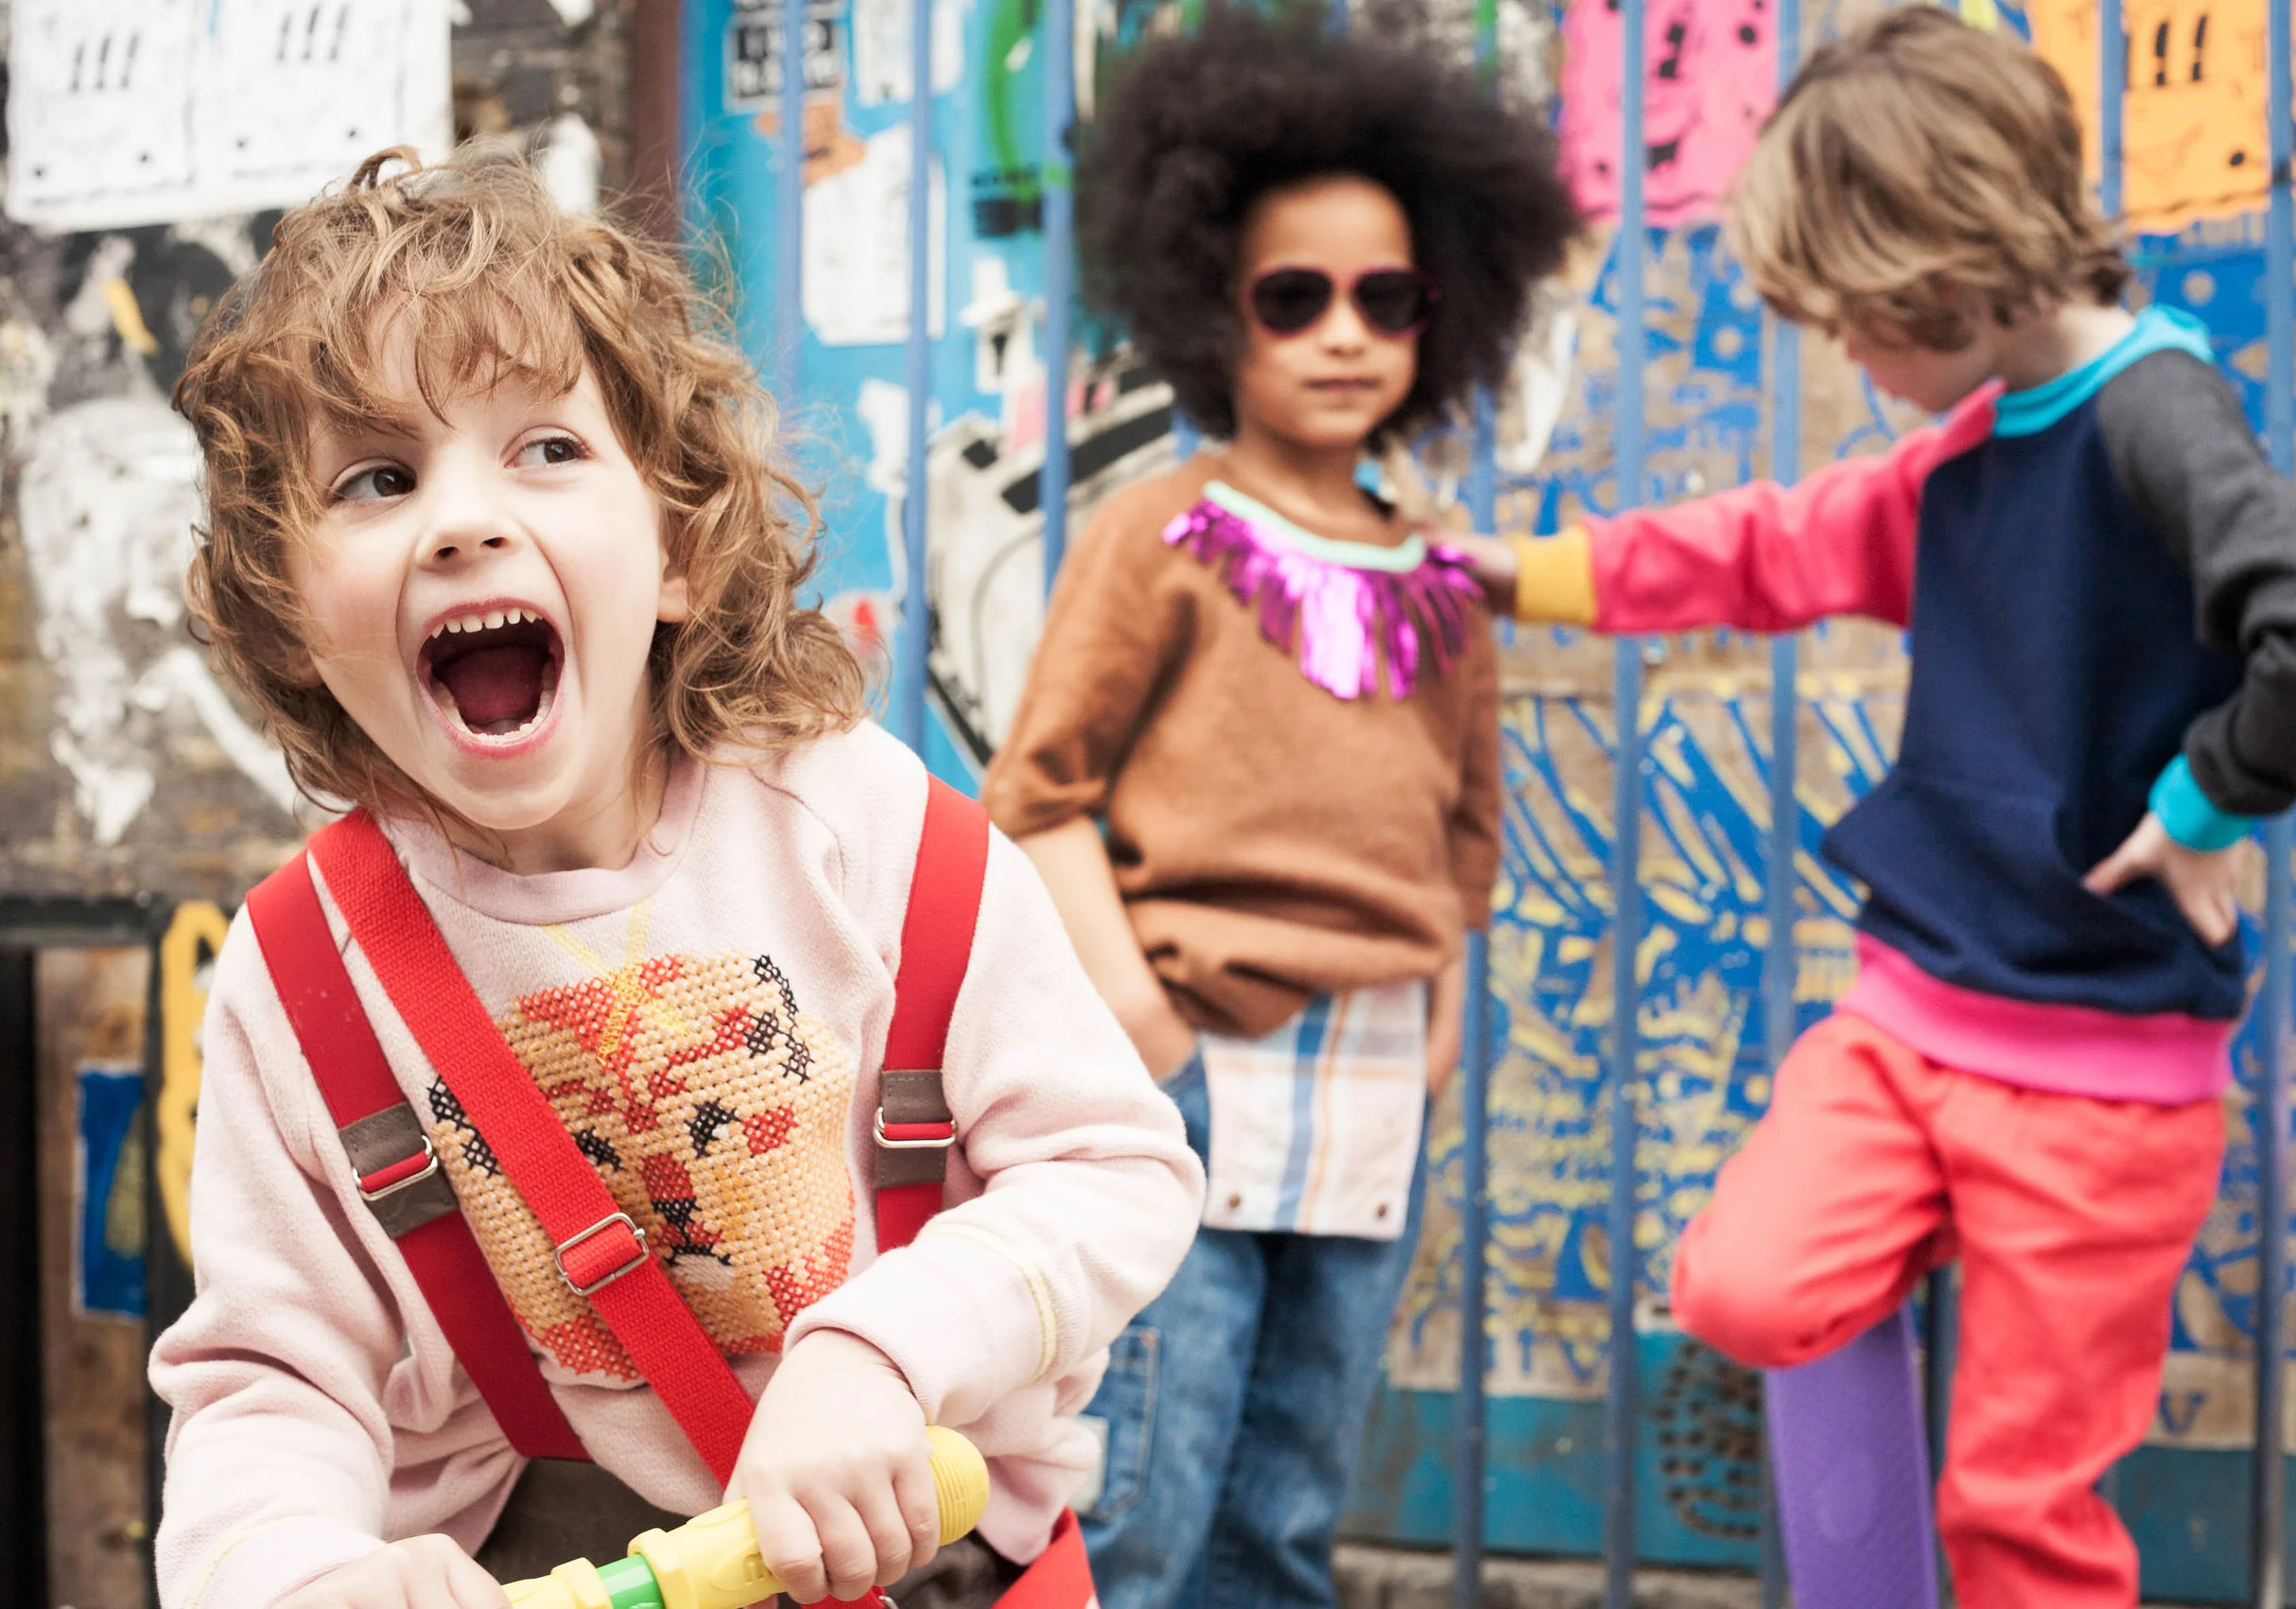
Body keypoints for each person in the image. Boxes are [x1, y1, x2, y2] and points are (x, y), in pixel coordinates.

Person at [148, 145, 1202, 1609]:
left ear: (680, 550)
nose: (462, 521)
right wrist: (289, 1572)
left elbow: (1113, 1173)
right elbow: (273, 1381)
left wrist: (882, 1352)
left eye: (546, 449)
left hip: (931, 1559)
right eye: (379, 478)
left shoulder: (880, 837)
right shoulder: (298, 978)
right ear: (292, 617)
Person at [1468, 11, 2296, 1607]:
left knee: (2019, 1512)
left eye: (1854, 321)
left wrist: (2207, 803)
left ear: (1940, 272)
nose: (1848, 360)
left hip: (2102, 1084)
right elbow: (1768, 546)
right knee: (1747, 1288)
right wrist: (1524, 575)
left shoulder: (2155, 415)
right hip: (1911, 1021)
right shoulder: (1962, 458)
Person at [979, 9, 1576, 1607]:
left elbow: (1465, 837)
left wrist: (1440, 1013)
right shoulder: (1162, 535)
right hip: (1191, 1062)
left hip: (1376, 1078)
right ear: (1210, 308)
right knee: (1145, 1498)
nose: (1343, 334)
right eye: (1292, 296)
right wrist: (1142, 1022)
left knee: (1291, 1507)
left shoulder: (1439, 572)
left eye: (1389, 298)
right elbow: (1038, 794)